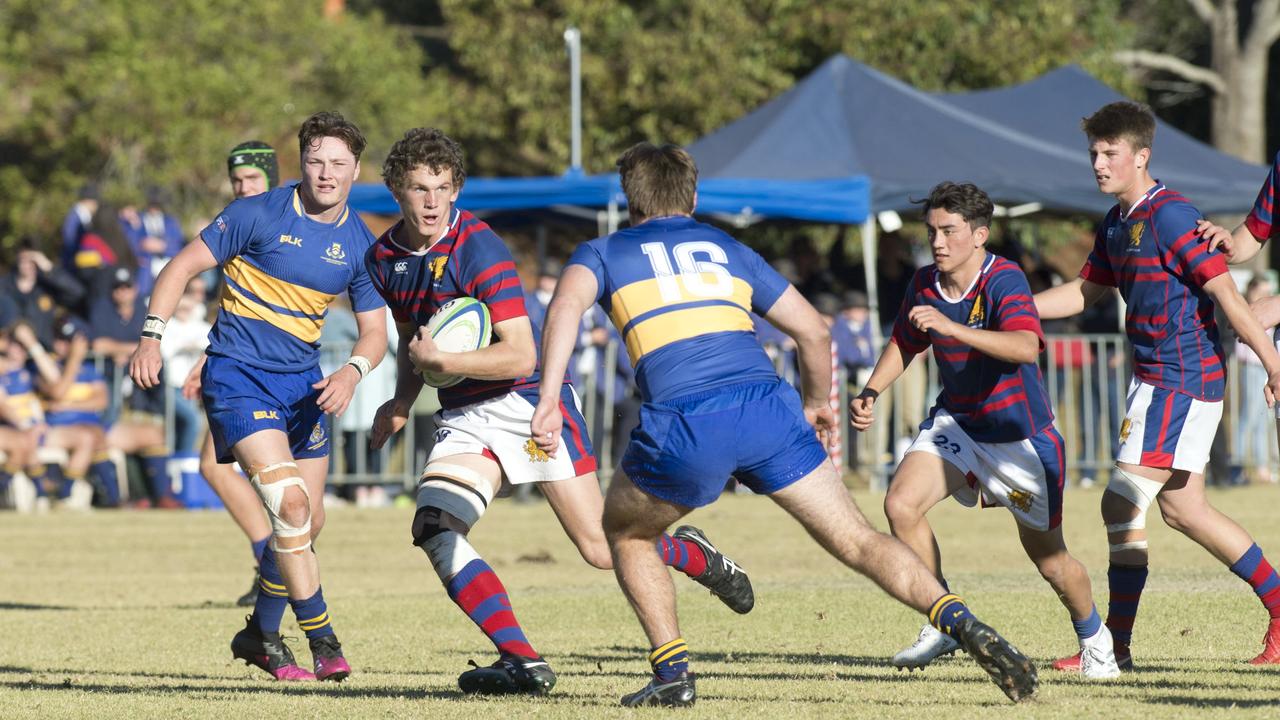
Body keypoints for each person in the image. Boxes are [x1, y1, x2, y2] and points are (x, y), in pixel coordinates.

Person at [532, 142, 1037, 707]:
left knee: (626, 535)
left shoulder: (599, 253)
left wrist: (550, 397)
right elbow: (815, 332)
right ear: (693, 196)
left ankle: (673, 675)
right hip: (768, 409)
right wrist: (819, 402)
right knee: (860, 540)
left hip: (687, 417)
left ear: (629, 200)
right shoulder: (727, 247)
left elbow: (564, 311)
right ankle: (959, 620)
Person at [365, 128, 753, 697]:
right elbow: (412, 339)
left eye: (444, 188)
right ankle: (521, 660)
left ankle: (688, 552)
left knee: (601, 549)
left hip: (527, 402)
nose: (432, 202)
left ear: (456, 190)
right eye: (420, 188)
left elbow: (521, 352)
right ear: (397, 189)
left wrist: (439, 358)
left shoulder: (478, 247)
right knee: (434, 525)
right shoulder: (384, 259)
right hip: (465, 413)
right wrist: (400, 402)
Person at [129, 112, 388, 682]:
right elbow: (180, 266)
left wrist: (351, 372)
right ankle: (324, 641)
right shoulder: (256, 212)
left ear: (356, 170)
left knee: (308, 521)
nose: (326, 173)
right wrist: (152, 337)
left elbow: (375, 333)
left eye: (338, 164)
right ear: (301, 162)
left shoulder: (359, 242)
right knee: (290, 506)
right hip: (238, 376)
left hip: (305, 386)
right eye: (316, 161)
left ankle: (259, 634)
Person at [1034, 101, 1280, 669]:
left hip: (1183, 378)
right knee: (1184, 510)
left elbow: (1226, 296)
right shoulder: (1117, 222)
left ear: (1140, 156)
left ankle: (1111, 648)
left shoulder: (1170, 216)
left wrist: (1271, 361)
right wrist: (1013, 309)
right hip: (1155, 380)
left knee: (1120, 502)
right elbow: (1084, 293)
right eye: (1093, 153)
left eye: (1109, 153)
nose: (1097, 163)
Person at [851, 182, 1118, 679]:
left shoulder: (1005, 279)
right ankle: (940, 617)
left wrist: (951, 329)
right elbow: (905, 342)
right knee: (899, 504)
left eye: (949, 231)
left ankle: (1095, 641)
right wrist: (871, 391)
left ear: (979, 235)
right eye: (932, 231)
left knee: (1051, 560)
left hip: (1019, 439)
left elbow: (1023, 345)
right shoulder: (925, 282)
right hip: (959, 421)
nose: (937, 242)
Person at [179, 141, 279, 606]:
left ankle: (276, 565)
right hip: (238, 359)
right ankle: (273, 565)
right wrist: (207, 358)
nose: (243, 188)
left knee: (236, 470)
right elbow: (236, 307)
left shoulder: (269, 223)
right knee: (218, 467)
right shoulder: (240, 223)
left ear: (271, 179)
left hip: (269, 366)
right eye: (237, 181)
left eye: (252, 180)